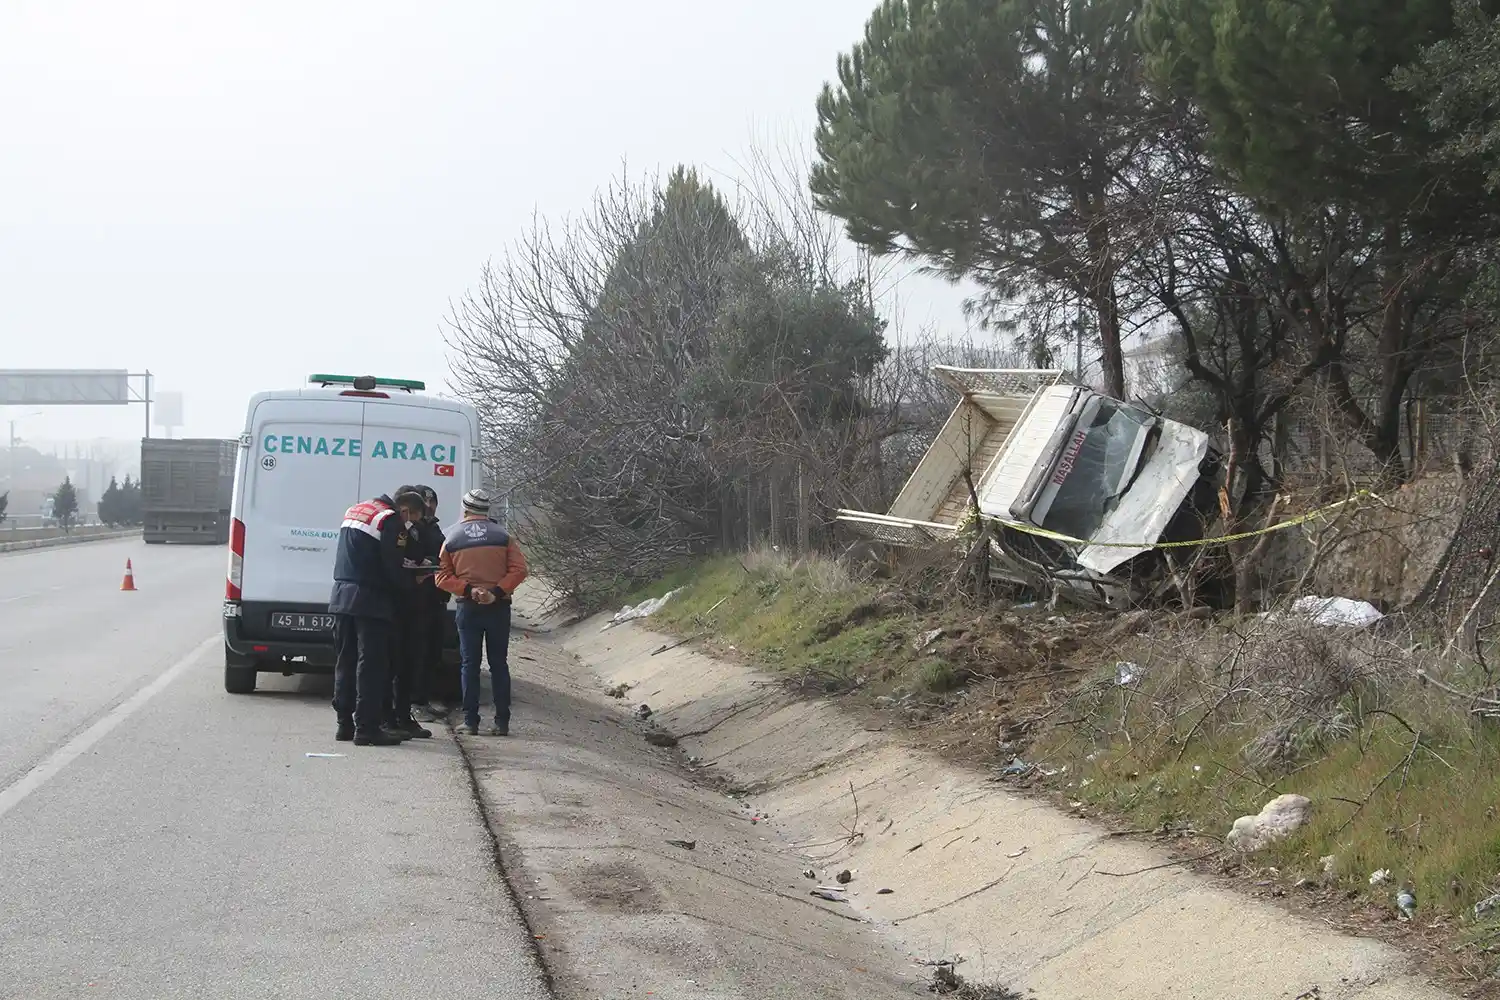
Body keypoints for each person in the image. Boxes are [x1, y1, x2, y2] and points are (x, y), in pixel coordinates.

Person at [329, 490, 425, 746]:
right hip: (370, 599)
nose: (409, 524)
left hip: (341, 595)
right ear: (405, 510)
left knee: (345, 660)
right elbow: (392, 565)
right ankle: (367, 727)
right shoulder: (390, 519)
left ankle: (344, 723)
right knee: (370, 664)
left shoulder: (356, 509)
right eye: (412, 519)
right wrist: (412, 583)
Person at [435, 487, 528, 736]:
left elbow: (441, 576)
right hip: (498, 608)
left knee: (469, 665)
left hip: (468, 608)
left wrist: (469, 591)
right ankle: (502, 722)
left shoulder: (450, 537)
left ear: (465, 510)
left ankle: (471, 721)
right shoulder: (504, 536)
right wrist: (495, 592)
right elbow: (520, 570)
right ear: (487, 511)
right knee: (499, 664)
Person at [384, 486, 433, 739]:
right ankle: (389, 717)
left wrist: (424, 564)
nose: (415, 521)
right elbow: (391, 564)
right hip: (396, 605)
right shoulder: (391, 527)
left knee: (408, 665)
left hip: (415, 606)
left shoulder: (419, 530)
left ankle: (404, 715)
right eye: (413, 515)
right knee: (391, 665)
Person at [410, 485, 448, 722]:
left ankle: (422, 700)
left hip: (435, 598)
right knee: (416, 654)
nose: (429, 505)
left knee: (432, 653)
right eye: (424, 502)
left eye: (432, 501)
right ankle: (412, 703)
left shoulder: (434, 528)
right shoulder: (412, 529)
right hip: (416, 601)